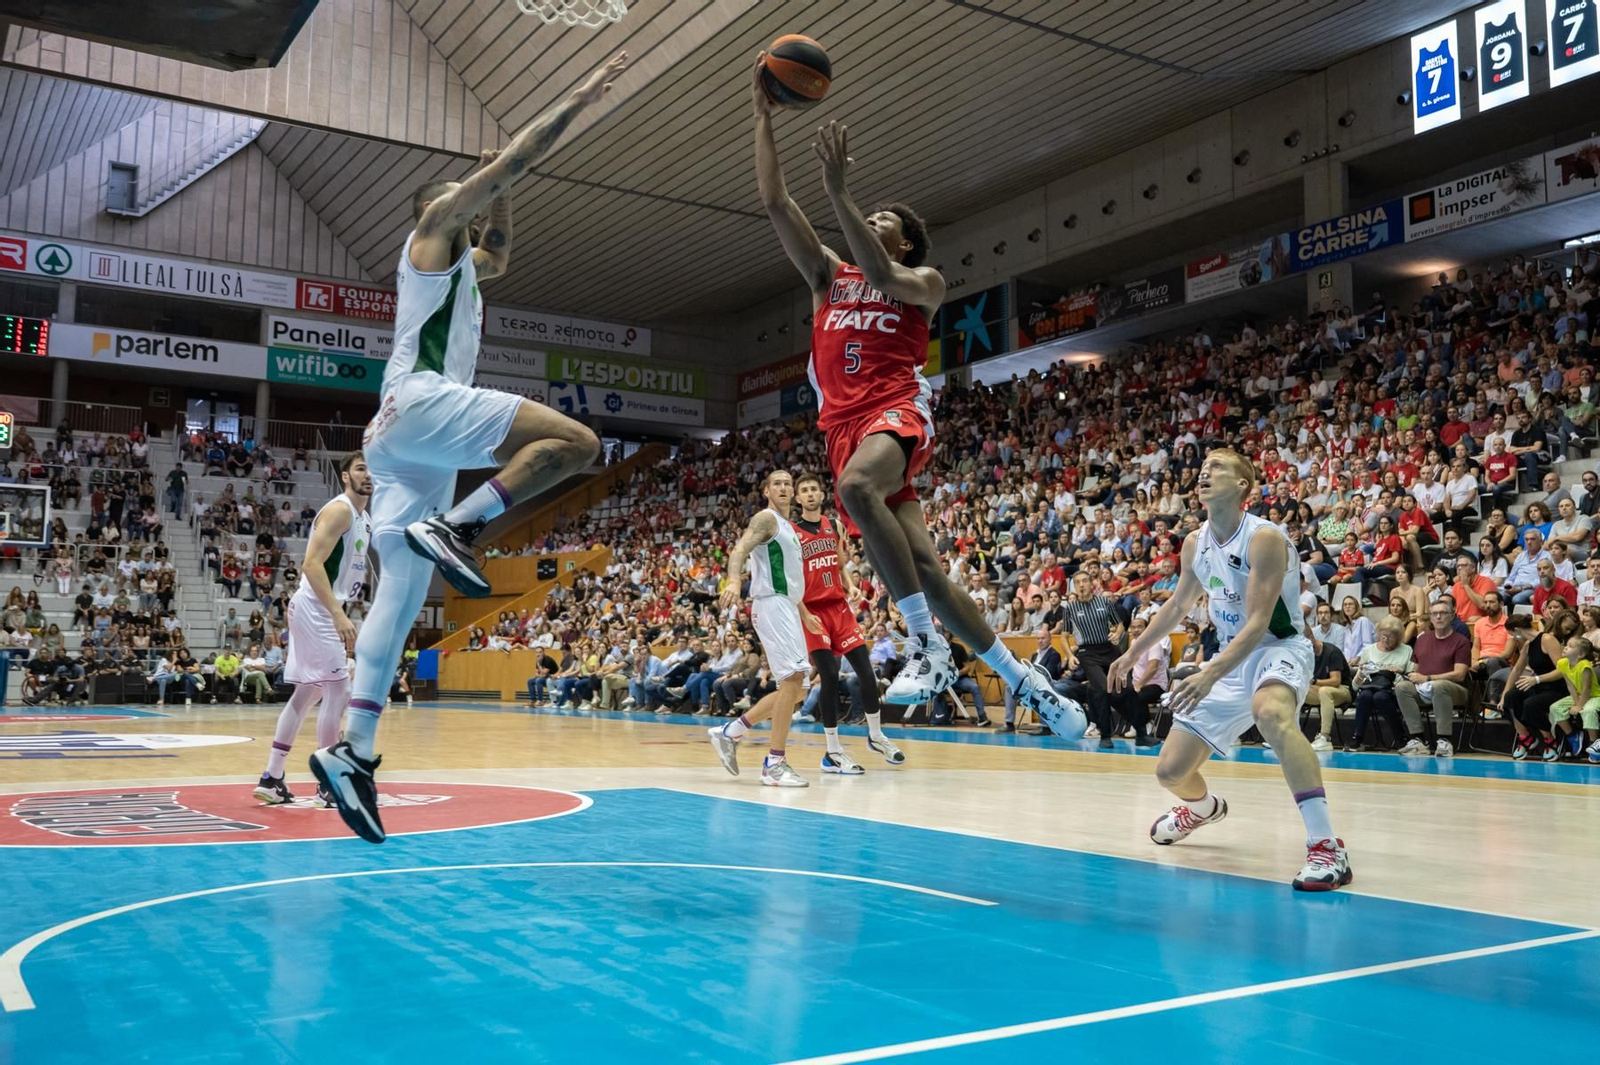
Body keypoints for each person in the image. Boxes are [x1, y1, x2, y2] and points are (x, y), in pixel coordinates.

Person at [311, 53, 629, 843]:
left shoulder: (466, 267)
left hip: (403, 445)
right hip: (419, 407)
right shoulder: (429, 233)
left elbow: (502, 251)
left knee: (401, 597)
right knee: (579, 441)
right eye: (469, 199)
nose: (475, 207)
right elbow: (510, 164)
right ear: (440, 209)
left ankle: (354, 751)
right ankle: (462, 522)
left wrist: (505, 190)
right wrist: (578, 94)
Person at [751, 54, 1084, 739]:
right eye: (865, 215)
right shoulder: (826, 277)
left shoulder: (922, 281)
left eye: (883, 219)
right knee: (927, 570)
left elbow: (874, 265)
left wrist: (839, 191)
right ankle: (1028, 684)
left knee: (852, 488)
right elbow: (775, 204)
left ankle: (927, 645)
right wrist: (763, 117)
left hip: (895, 410)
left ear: (907, 241)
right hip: (843, 424)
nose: (871, 222)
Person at [1110, 449, 1351, 891]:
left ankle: (1326, 846)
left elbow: (1260, 621)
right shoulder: (1193, 543)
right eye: (1202, 469)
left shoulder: (1264, 537)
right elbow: (1178, 605)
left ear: (1243, 486)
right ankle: (1201, 808)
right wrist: (1131, 651)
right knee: (1169, 773)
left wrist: (1208, 672)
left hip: (1279, 648)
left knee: (1272, 714)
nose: (1204, 473)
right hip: (1230, 657)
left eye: (1217, 468)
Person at [255, 454, 372, 808]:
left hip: (319, 606)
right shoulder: (340, 510)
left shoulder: (364, 518)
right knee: (339, 689)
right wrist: (337, 613)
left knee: (307, 693)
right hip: (317, 607)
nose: (368, 474)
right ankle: (328, 784)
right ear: (346, 475)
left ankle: (272, 778)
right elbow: (310, 564)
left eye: (372, 469)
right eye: (361, 468)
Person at [706, 471, 823, 787]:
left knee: (799, 688)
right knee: (793, 680)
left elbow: (790, 578)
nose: (784, 487)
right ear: (767, 490)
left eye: (789, 483)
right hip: (771, 604)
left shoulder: (790, 529)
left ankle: (731, 732)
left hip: (787, 606)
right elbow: (739, 549)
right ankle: (774, 763)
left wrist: (804, 611)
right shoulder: (766, 519)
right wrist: (734, 580)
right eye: (778, 483)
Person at [792, 472, 904, 771]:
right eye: (804, 490)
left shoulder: (835, 526)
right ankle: (832, 751)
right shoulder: (792, 532)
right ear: (798, 498)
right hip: (813, 611)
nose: (811, 493)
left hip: (839, 607)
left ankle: (876, 735)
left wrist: (849, 584)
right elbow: (790, 579)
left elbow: (840, 563)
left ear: (821, 494)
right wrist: (802, 611)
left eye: (814, 488)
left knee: (866, 672)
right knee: (828, 674)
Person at [1306, 634, 1353, 752]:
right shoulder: (1306, 653)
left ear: (1311, 640)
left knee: (1324, 691)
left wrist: (1314, 681)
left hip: (1343, 689)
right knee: (1294, 690)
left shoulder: (1332, 652)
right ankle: (1285, 734)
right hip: (1319, 689)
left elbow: (1336, 681)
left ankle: (1325, 738)